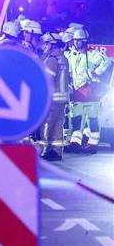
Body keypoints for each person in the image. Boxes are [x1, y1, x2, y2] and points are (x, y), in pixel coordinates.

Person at [65, 27, 111, 154]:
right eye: (75, 40)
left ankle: (92, 144)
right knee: (77, 118)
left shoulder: (92, 54)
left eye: (79, 41)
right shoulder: (72, 55)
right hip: (77, 90)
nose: (76, 43)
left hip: (90, 91)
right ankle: (76, 142)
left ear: (84, 41)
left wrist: (94, 73)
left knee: (93, 119)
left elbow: (107, 62)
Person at [40, 32, 71, 161]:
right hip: (63, 98)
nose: (44, 46)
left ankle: (44, 151)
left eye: (46, 43)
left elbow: (47, 80)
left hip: (52, 98)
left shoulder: (51, 59)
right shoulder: (64, 58)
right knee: (58, 125)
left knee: (46, 124)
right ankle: (57, 151)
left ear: (52, 45)